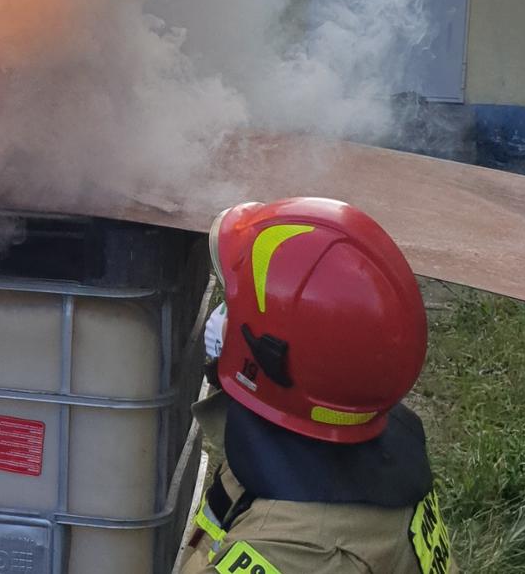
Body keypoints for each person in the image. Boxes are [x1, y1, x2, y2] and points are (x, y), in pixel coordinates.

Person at [175, 197, 453, 574]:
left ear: (267, 359)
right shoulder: (372, 442)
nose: (221, 318)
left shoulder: (286, 552)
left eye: (231, 306)